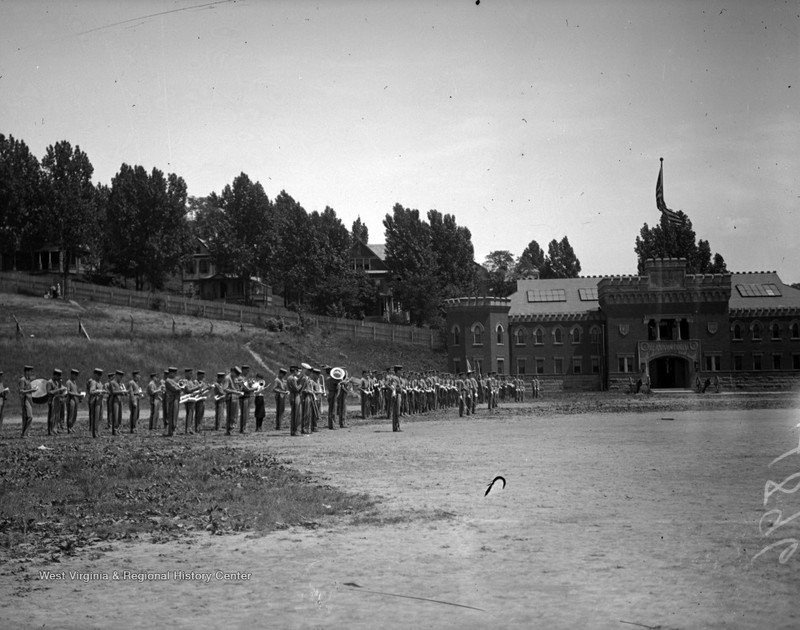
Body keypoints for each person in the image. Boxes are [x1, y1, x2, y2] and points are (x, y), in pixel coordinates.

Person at [46, 369, 67, 436]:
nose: (58, 378)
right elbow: (49, 392)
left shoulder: (56, 383)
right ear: (55, 375)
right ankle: (50, 430)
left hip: (57, 400)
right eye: (58, 376)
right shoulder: (50, 382)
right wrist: (58, 390)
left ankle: (55, 429)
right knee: (51, 416)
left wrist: (62, 391)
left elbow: (58, 391)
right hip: (52, 400)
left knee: (56, 416)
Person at [223, 366, 242, 436]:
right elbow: (225, 388)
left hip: (235, 398)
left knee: (235, 415)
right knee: (230, 415)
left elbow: (237, 387)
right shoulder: (227, 378)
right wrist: (235, 392)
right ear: (233, 372)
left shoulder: (235, 378)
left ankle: (232, 429)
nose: (236, 376)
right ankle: (229, 430)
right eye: (236, 374)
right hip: (230, 398)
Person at [163, 367, 181, 437]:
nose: (175, 375)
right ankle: (171, 430)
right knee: (172, 415)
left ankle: (173, 429)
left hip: (176, 398)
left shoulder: (173, 380)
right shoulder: (168, 380)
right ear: (170, 373)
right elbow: (175, 389)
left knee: (175, 414)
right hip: (172, 399)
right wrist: (180, 388)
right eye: (174, 373)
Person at [19, 365, 36, 438]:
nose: (30, 373)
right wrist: (31, 390)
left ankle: (26, 433)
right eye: (29, 371)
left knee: (27, 416)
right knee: (29, 416)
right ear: (26, 371)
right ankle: (24, 433)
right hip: (25, 399)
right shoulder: (23, 380)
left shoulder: (28, 379)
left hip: (29, 399)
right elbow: (21, 391)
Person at [87, 368, 104, 438]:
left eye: (100, 375)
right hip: (95, 400)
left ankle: (98, 431)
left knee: (100, 417)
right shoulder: (93, 382)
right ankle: (95, 432)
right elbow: (91, 391)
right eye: (98, 374)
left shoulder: (100, 382)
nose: (99, 376)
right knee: (95, 417)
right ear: (95, 374)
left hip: (100, 400)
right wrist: (99, 391)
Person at [109, 370, 125, 436]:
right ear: (117, 376)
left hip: (119, 400)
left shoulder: (120, 384)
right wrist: (121, 392)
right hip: (114, 400)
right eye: (120, 376)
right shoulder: (112, 382)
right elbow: (113, 392)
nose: (120, 378)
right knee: (115, 415)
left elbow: (122, 391)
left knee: (119, 415)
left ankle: (118, 429)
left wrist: (124, 392)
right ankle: (114, 430)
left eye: (121, 377)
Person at [287, 366, 302, 436]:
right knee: (297, 413)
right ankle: (296, 430)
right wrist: (301, 384)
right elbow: (296, 388)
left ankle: (293, 430)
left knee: (293, 413)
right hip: (295, 395)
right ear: (295, 371)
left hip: (292, 395)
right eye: (297, 371)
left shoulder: (289, 378)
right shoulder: (292, 378)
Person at [65, 368, 81, 434]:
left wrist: (80, 396)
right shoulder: (69, 382)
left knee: (75, 414)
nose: (76, 377)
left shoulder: (74, 382)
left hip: (75, 400)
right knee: (70, 414)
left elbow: (76, 391)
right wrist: (76, 394)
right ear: (72, 375)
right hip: (70, 400)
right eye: (75, 375)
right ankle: (69, 428)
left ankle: (72, 426)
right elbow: (68, 392)